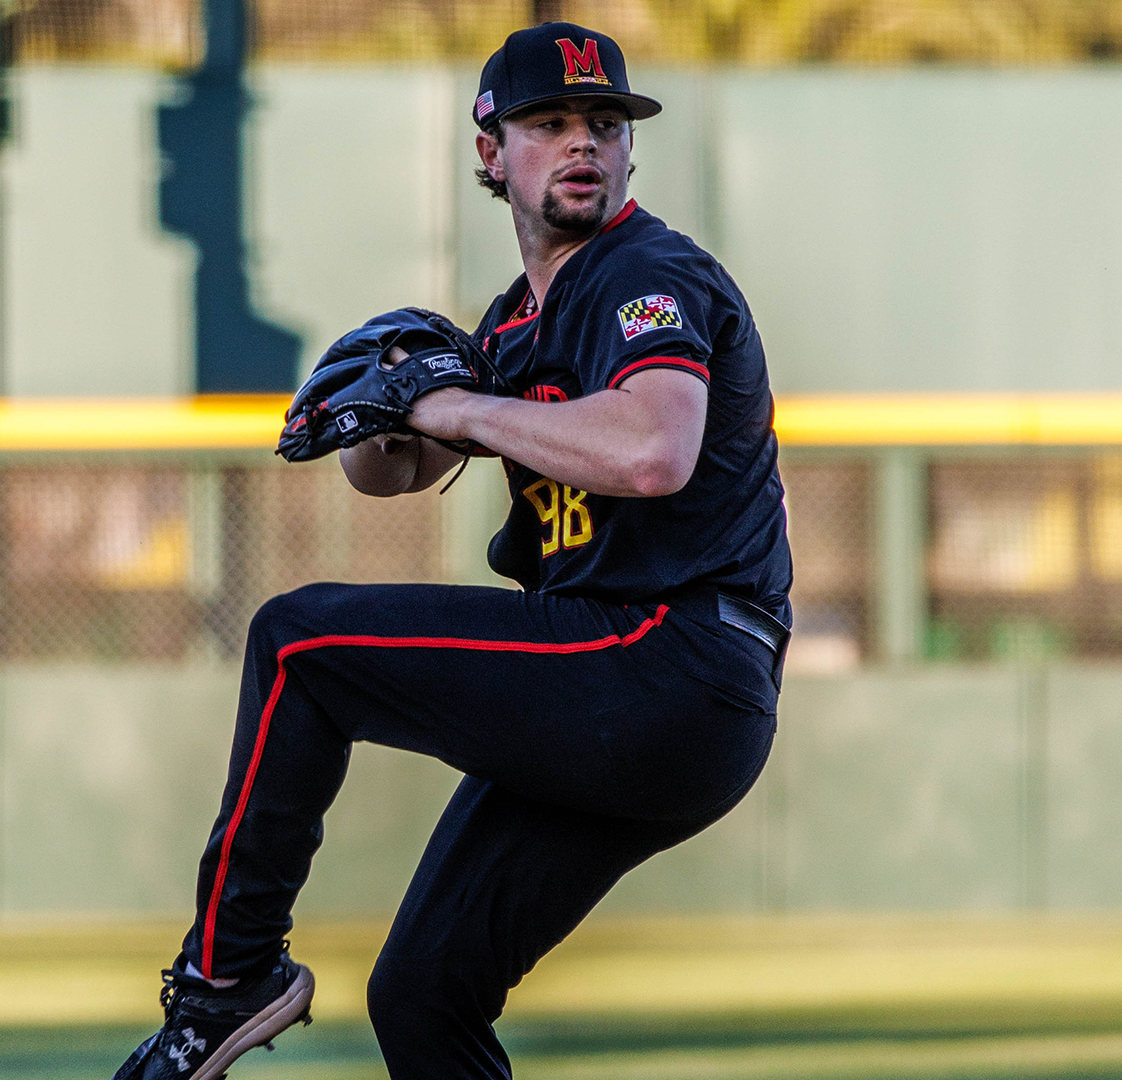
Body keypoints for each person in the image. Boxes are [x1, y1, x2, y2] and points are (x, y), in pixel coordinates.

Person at [113, 21, 792, 1080]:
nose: (582, 144)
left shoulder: (644, 271)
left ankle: (225, 979)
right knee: (422, 994)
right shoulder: (512, 327)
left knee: (299, 646)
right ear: (490, 153)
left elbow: (656, 449)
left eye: (603, 123)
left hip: (673, 657)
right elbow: (393, 475)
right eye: (550, 123)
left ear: (628, 149)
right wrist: (392, 420)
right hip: (629, 689)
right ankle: (241, 983)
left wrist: (464, 409)